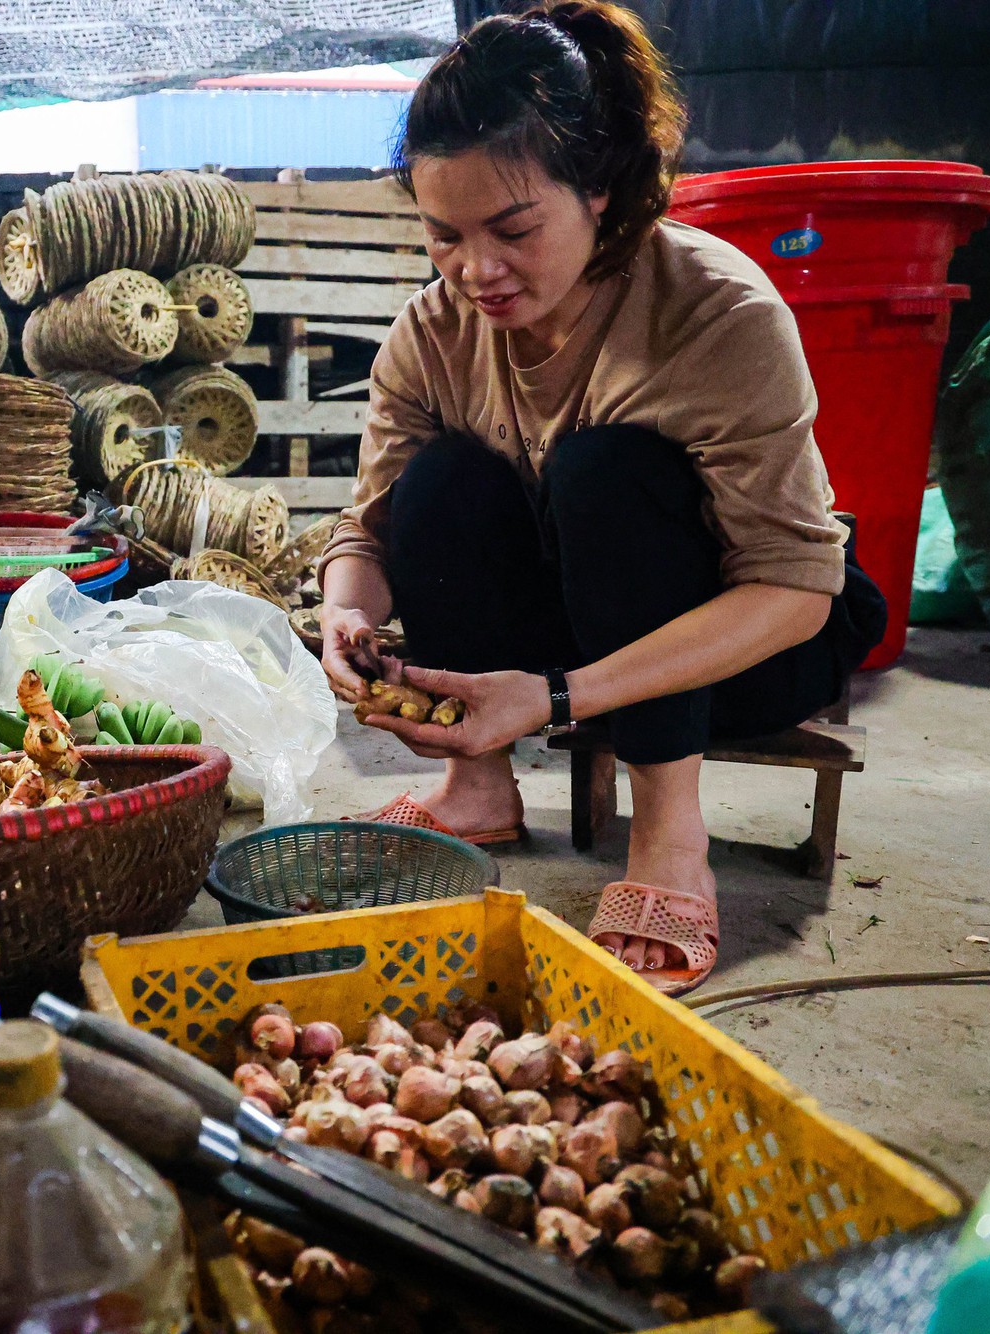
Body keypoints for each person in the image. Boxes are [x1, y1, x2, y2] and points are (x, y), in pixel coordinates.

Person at [317, 0, 886, 995]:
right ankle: (474, 788)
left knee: (606, 471)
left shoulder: (715, 311)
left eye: (512, 229)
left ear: (600, 191)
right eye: (443, 235)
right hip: (579, 630)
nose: (475, 270)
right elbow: (366, 532)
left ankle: (668, 832)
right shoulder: (434, 331)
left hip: (751, 644)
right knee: (440, 480)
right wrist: (347, 615)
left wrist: (553, 698)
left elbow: (794, 589)